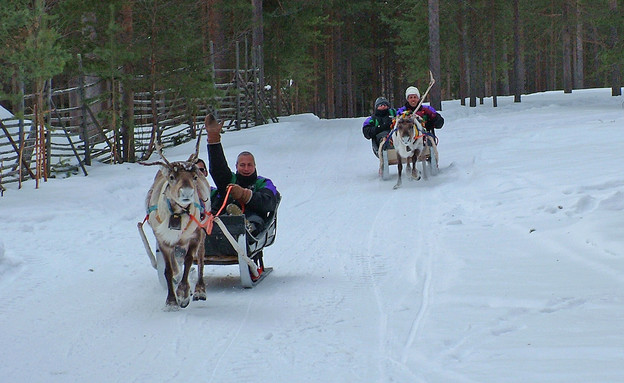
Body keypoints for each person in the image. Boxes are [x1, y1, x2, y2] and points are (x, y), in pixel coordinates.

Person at [204, 115, 279, 235]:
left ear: (255, 166)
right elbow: (218, 168)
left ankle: (246, 227)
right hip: (224, 220)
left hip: (253, 222)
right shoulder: (231, 180)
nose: (246, 168)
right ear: (237, 166)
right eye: (242, 165)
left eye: (249, 165)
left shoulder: (263, 183)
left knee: (255, 219)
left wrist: (244, 195)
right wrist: (213, 139)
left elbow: (268, 203)